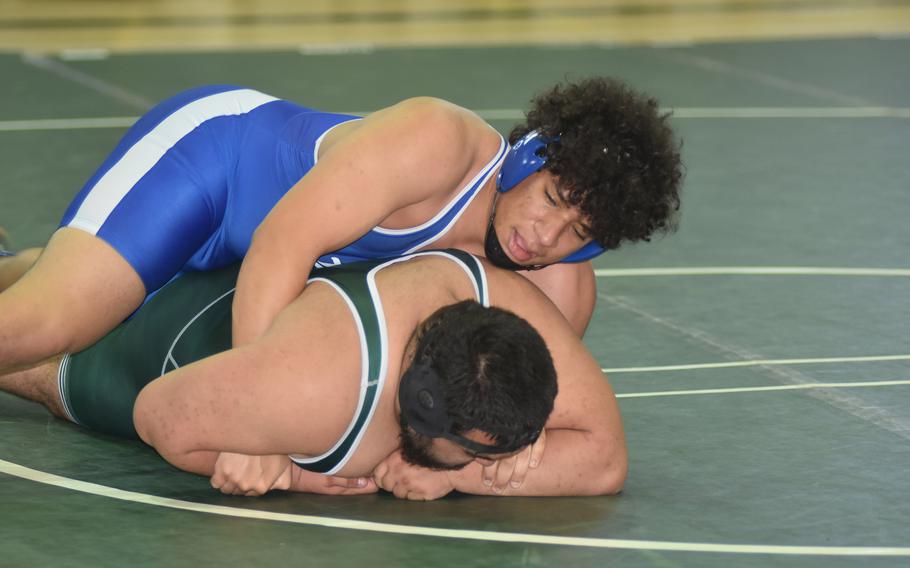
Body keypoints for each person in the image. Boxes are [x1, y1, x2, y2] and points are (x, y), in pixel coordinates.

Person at [0, 77, 683, 375]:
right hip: (212, 167)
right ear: (531, 155)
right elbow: (281, 242)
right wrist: (250, 419)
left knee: (94, 294)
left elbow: (508, 400)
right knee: (43, 329)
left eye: (580, 231)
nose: (546, 235)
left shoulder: (562, 292)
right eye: (553, 196)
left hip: (256, 253)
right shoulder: (436, 143)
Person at [0, 249, 626, 500]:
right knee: (46, 351)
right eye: (468, 453)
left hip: (238, 283)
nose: (481, 463)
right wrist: (289, 470)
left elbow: (604, 460)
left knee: (63, 280)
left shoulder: (508, 320)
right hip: (172, 350)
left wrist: (463, 478)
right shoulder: (316, 391)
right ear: (419, 407)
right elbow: (157, 414)